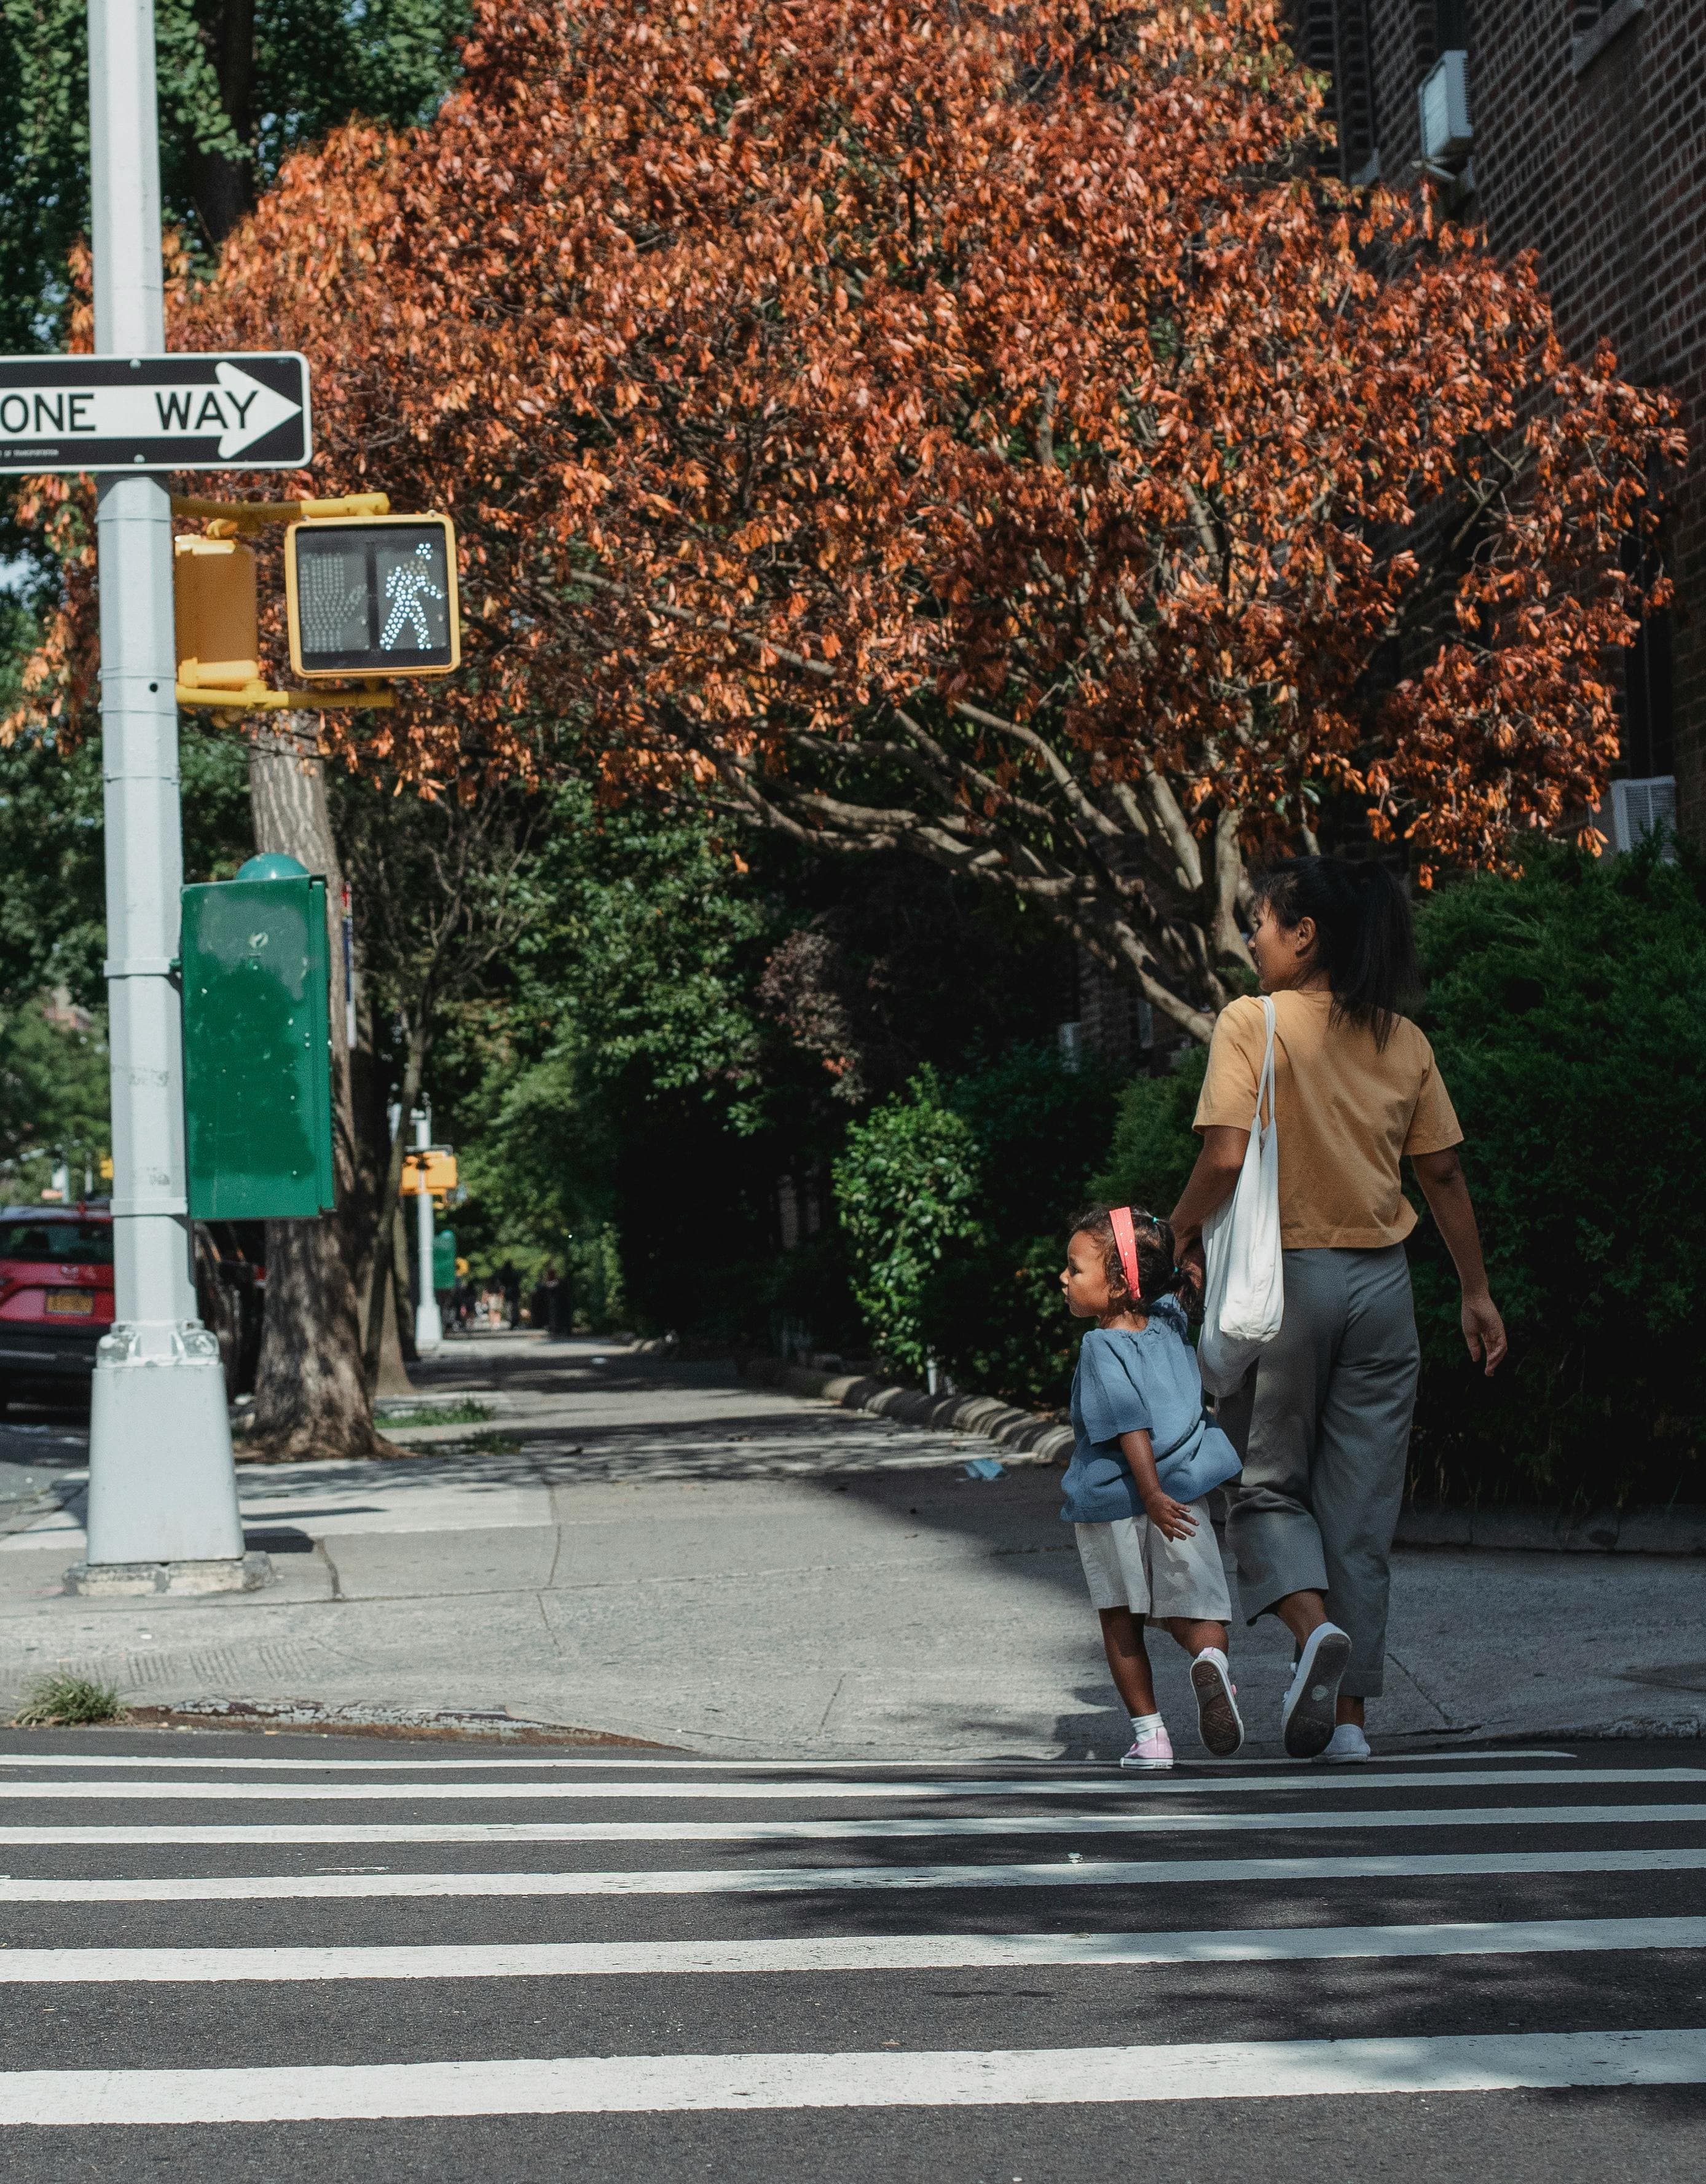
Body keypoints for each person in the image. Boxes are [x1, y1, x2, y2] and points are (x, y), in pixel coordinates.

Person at [1169, 856, 1507, 1764]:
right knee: (1362, 1510)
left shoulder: (1253, 1023)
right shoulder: (1404, 1040)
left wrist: (1178, 1226)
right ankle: (1350, 1723)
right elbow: (1442, 1174)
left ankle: (1313, 1632)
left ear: (1304, 933)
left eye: (1262, 923)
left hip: (1288, 1285)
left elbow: (1227, 1156)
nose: (1251, 938)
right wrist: (1475, 1290)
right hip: (1385, 1290)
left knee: (1265, 1486)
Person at [1059, 1204, 1246, 1768]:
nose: (1064, 1280)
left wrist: (1148, 1494)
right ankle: (1210, 1660)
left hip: (1123, 1499)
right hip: (1183, 1497)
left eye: (1075, 1269)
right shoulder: (1170, 1323)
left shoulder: (1101, 1347)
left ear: (1118, 1284)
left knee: (1121, 1622)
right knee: (1198, 1607)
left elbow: (1128, 1422)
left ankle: (1151, 1737)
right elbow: (1187, 1265)